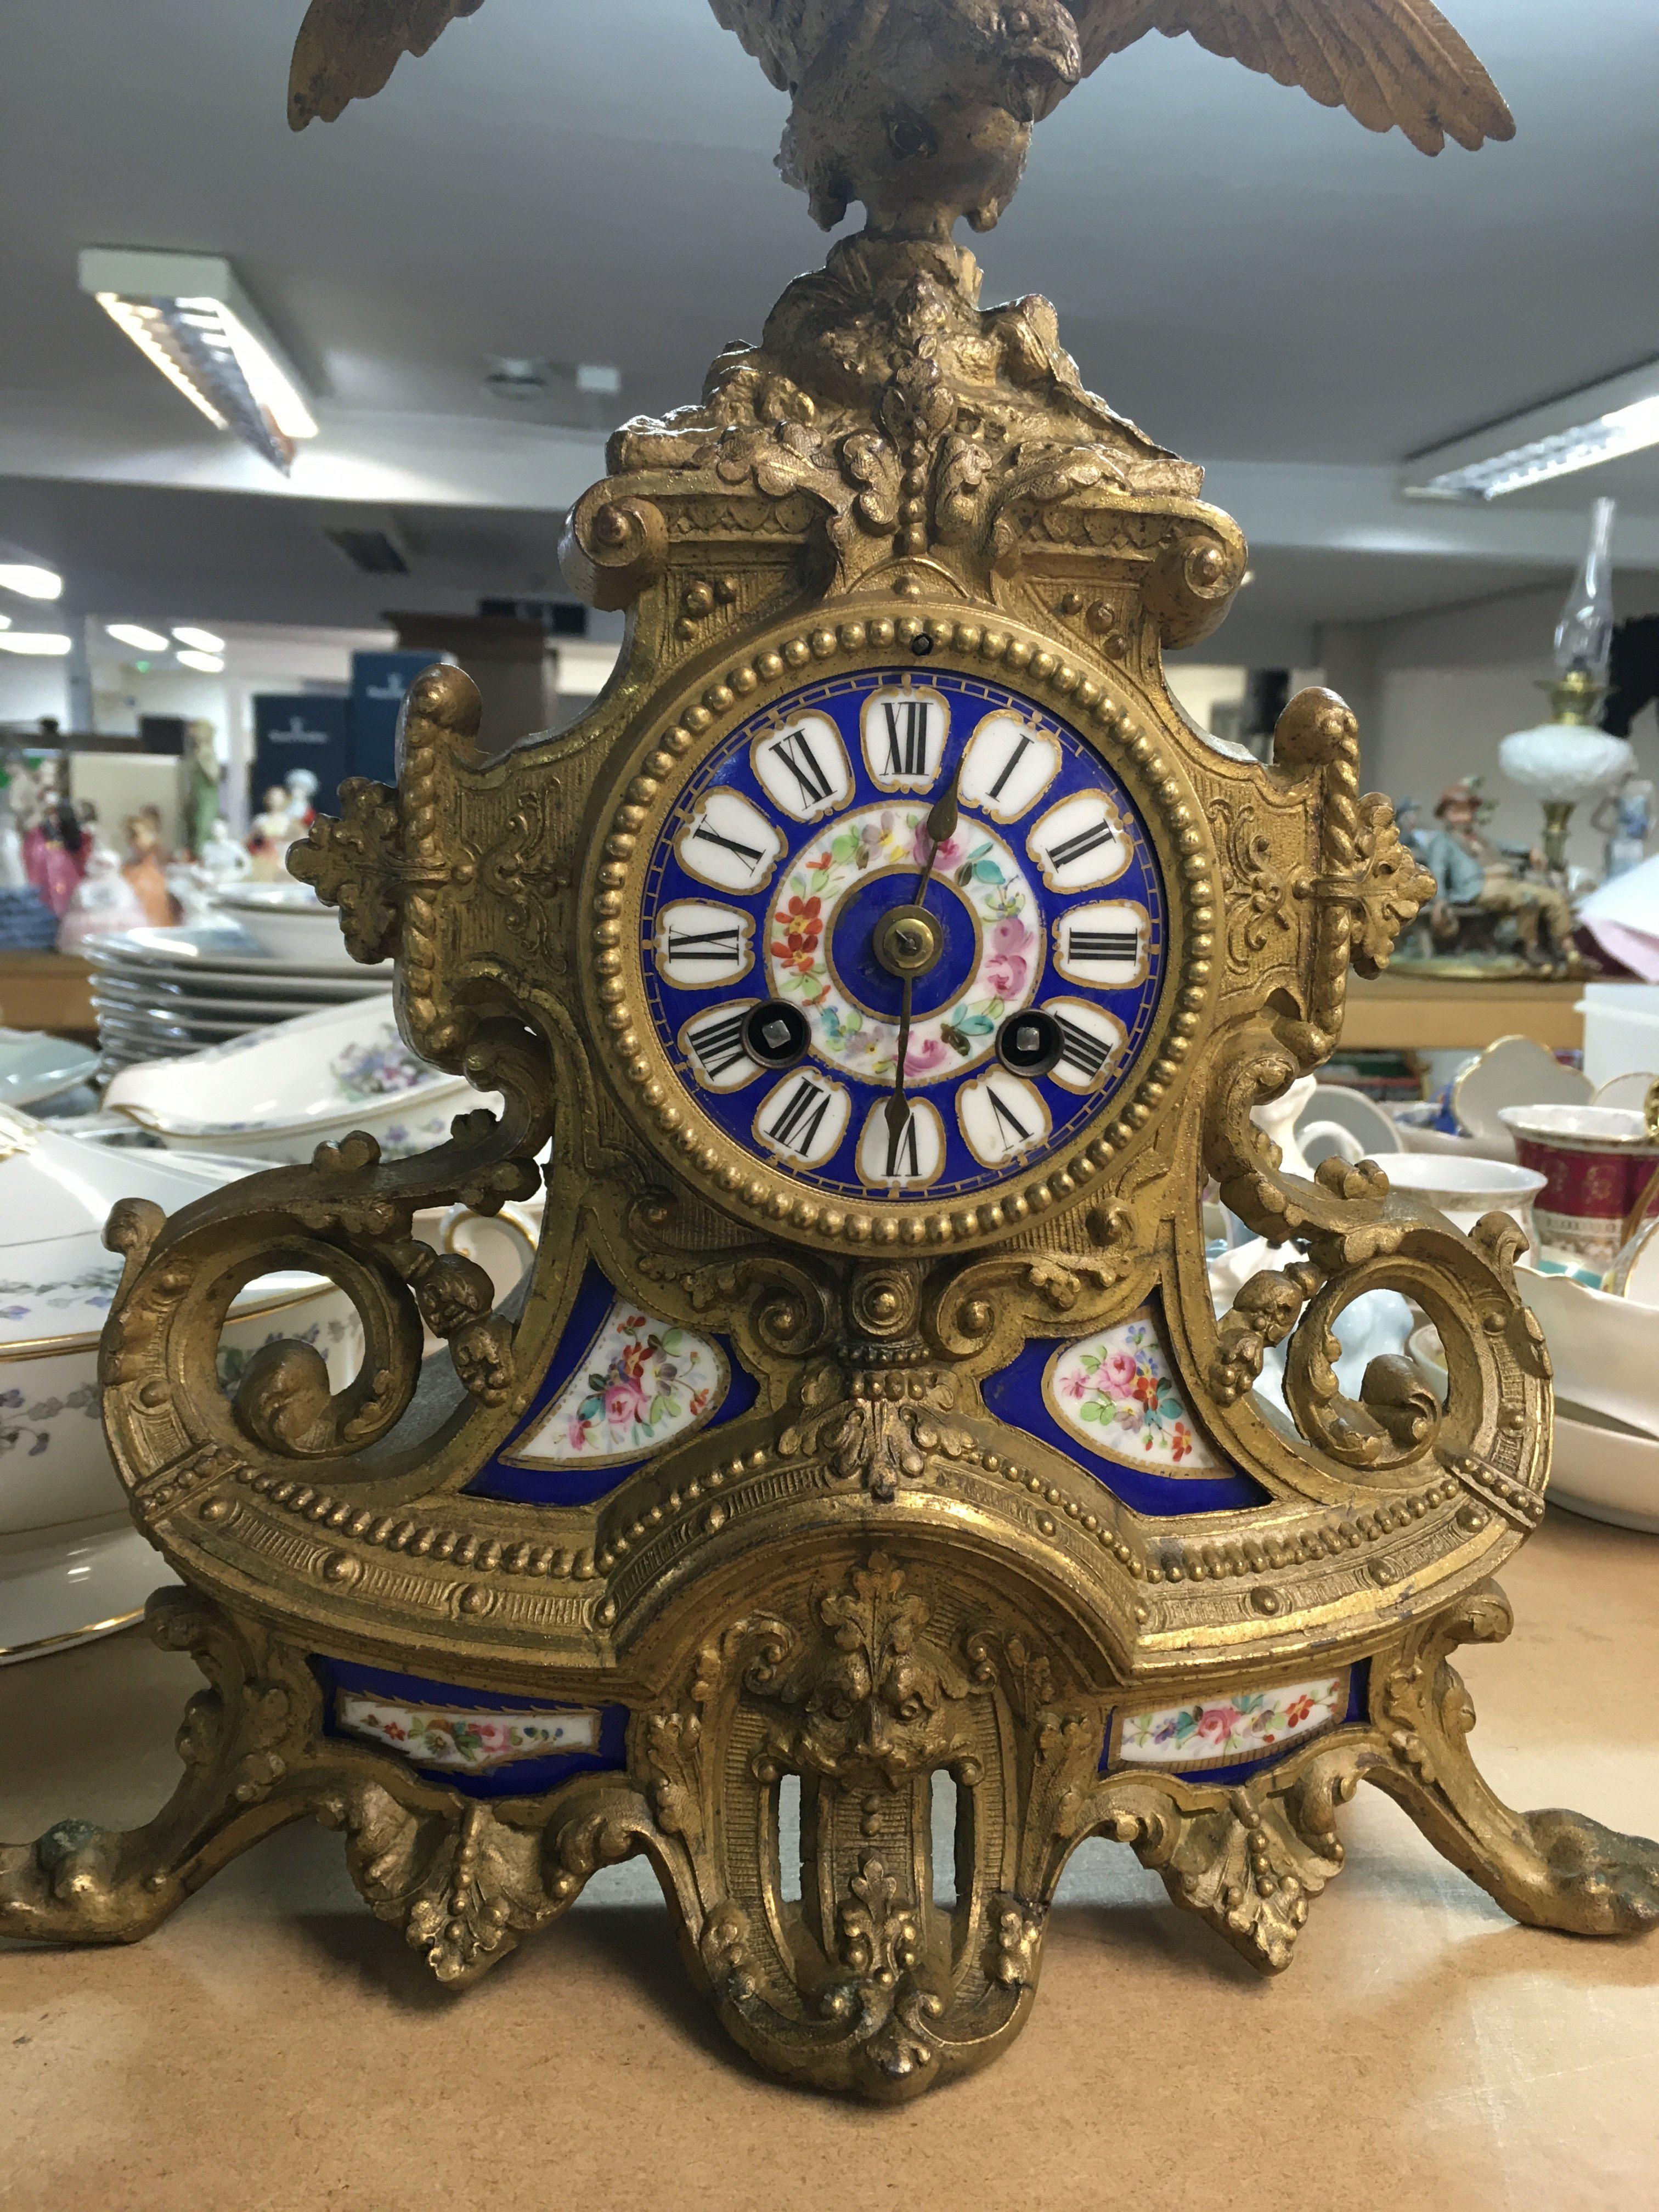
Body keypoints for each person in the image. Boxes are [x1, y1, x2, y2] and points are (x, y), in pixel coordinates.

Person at [1423, 781, 1579, 969]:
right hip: (1478, 888)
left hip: (1506, 883)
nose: (1464, 816)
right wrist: (1439, 900)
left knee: (1553, 897)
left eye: (1467, 810)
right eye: (1457, 811)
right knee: (1528, 898)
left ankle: (1569, 949)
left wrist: (1530, 851)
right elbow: (1436, 871)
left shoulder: (1480, 838)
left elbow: (1505, 846)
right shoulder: (1442, 842)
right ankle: (1530, 948)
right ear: (1446, 814)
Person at [1592, 770, 1654, 882]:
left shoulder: (1645, 788)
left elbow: (1654, 813)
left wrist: (1649, 829)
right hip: (1619, 841)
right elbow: (1595, 820)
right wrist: (1611, 830)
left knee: (1635, 874)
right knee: (1616, 875)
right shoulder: (1614, 792)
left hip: (1635, 840)